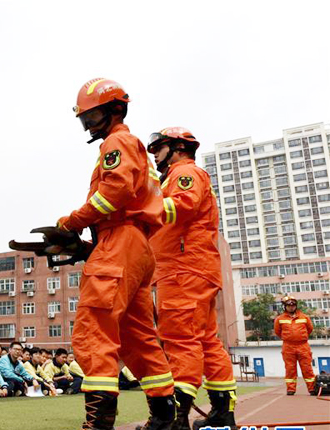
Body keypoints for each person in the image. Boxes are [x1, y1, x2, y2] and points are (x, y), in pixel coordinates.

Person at [57, 78, 175, 430]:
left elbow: (115, 192)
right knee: (139, 339)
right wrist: (87, 243)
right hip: (137, 246)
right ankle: (163, 419)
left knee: (94, 331)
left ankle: (99, 424)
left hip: (119, 241)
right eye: (85, 120)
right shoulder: (132, 146)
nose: (89, 126)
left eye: (92, 117)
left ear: (115, 111)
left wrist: (72, 222)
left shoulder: (117, 141)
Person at [147, 127, 238, 430]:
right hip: (196, 269)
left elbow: (182, 206)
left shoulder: (184, 172)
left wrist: (142, 208)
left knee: (180, 339)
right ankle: (223, 413)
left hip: (183, 269)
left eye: (158, 148)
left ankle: (178, 418)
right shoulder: (182, 176)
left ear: (177, 148)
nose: (154, 155)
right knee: (207, 341)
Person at [275, 295, 316, 396]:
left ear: (296, 306)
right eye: (289, 306)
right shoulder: (280, 319)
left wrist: (300, 337)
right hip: (288, 346)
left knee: (307, 368)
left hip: (303, 346)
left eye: (293, 305)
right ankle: (291, 389)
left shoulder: (304, 317)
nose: (291, 307)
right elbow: (278, 332)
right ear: (285, 307)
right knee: (290, 369)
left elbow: (310, 329)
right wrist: (289, 338)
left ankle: (312, 389)